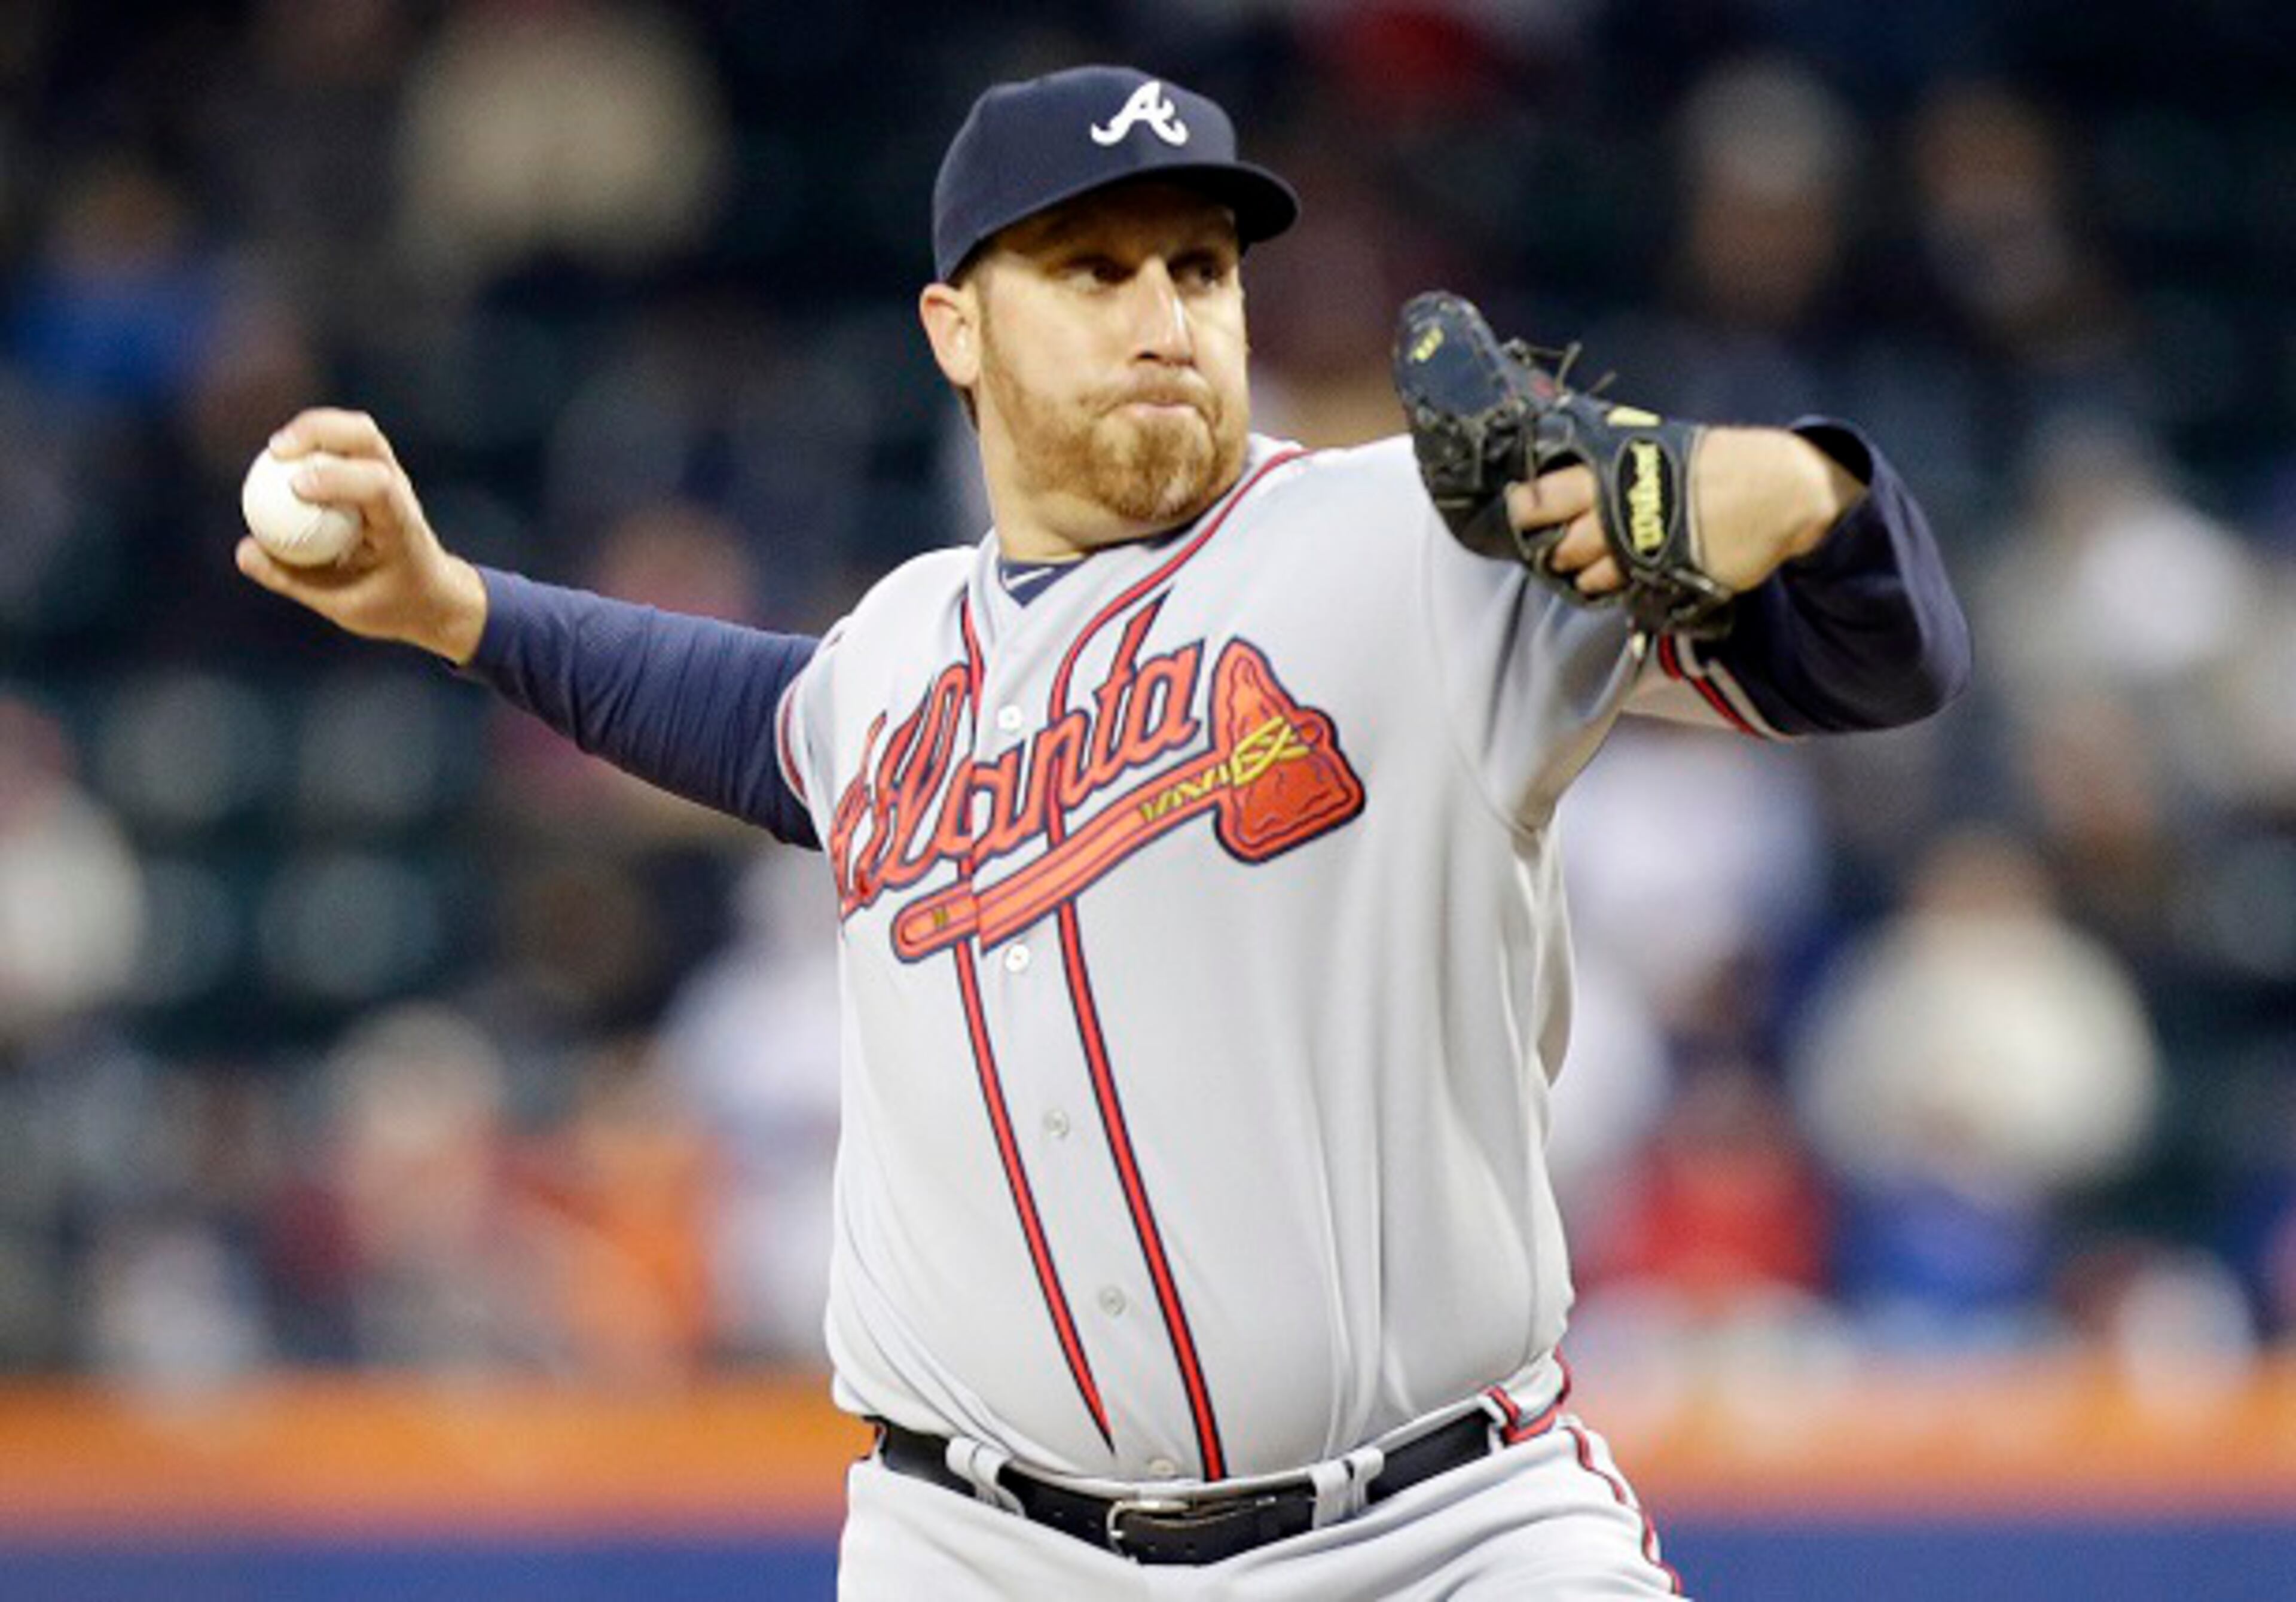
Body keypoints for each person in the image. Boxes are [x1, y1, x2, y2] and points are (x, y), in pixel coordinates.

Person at [237, 63, 1969, 1601]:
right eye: (1093, 269)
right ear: (956, 329)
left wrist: (1795, 491)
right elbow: (746, 716)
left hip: (1440, 1534)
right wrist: (458, 607)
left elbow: (1881, 652)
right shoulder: (899, 650)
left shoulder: (1413, 543)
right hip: (976, 1550)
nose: (1165, 314)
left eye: (1199, 269)